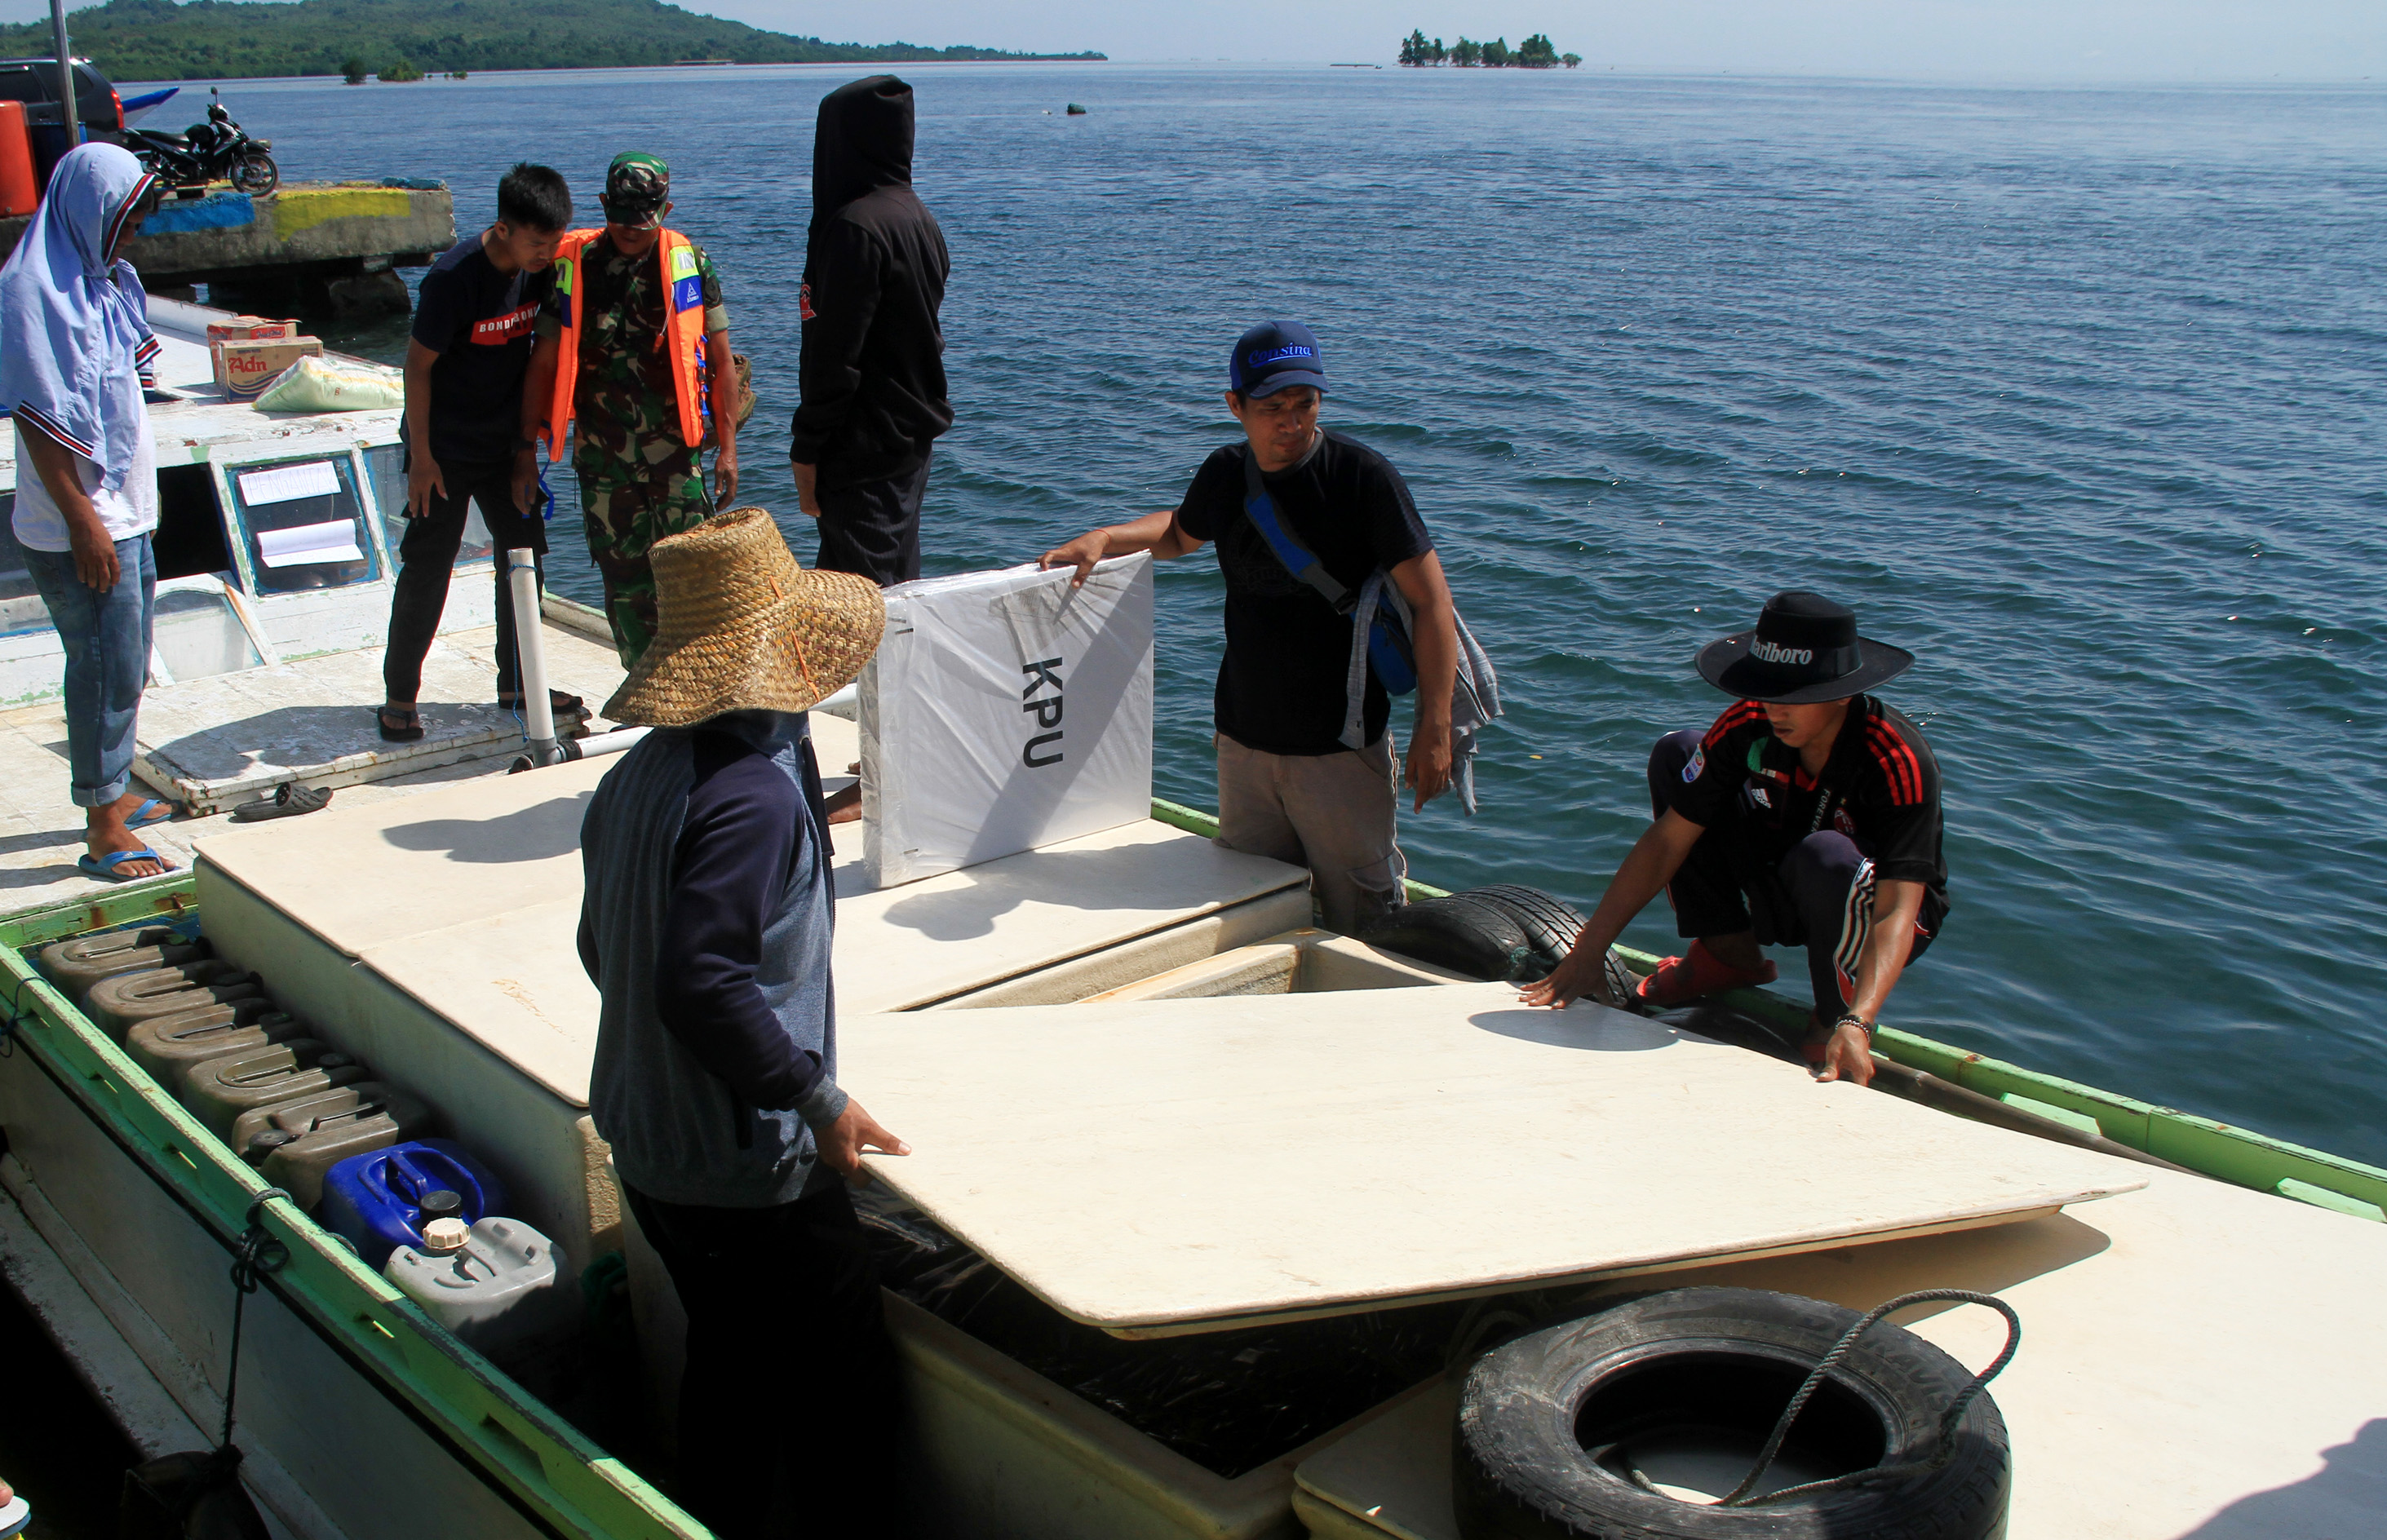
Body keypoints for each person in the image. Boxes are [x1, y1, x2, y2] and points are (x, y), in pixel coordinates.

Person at [575, 507, 904, 1540]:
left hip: (647, 1142)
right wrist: (818, 1095)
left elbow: (602, 951)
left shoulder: (641, 778)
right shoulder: (756, 796)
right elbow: (702, 980)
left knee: (730, 1358)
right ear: (792, 655)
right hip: (744, 1168)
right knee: (845, 1407)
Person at [1037, 319, 1461, 936]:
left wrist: (1435, 725)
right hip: (1244, 746)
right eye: (1272, 407)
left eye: (1305, 404)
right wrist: (1106, 537)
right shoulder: (1227, 473)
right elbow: (1182, 532)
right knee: (1254, 910)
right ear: (1235, 406)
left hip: (1339, 752)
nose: (1292, 422)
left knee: (1363, 919)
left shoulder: (1362, 478)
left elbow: (1432, 602)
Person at [1521, 591, 1950, 1086]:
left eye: (1791, 698)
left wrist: (1860, 1019)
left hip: (1875, 909)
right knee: (1678, 754)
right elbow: (1667, 841)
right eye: (1766, 692)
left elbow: (1899, 908)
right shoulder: (1751, 724)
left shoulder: (1895, 760)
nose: (1773, 710)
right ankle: (1729, 955)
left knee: (1827, 856)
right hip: (1785, 873)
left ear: (1839, 694)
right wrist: (1590, 948)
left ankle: (1834, 1013)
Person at [1, 144, 173, 883]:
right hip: (84, 519)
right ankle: (103, 827)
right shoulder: (31, 289)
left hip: (125, 510)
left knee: (129, 657)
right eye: (125, 217)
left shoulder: (101, 280)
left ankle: (114, 788)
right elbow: (39, 417)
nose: (132, 233)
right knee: (102, 664)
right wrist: (81, 519)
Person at [379, 162, 581, 743]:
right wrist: (421, 457)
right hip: (440, 447)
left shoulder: (537, 272)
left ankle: (518, 682)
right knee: (428, 564)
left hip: (502, 444)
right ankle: (400, 696)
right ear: (503, 227)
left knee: (524, 555)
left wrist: (525, 451)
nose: (547, 253)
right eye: (538, 242)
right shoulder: (452, 279)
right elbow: (417, 368)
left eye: (554, 241)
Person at [524, 152, 740, 666]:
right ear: (602, 205)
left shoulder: (689, 261)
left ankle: (706, 688)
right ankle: (647, 691)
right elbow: (542, 361)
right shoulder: (574, 267)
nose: (631, 229)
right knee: (625, 585)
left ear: (665, 207)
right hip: (604, 463)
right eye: (620, 216)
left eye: (643, 217)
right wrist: (522, 452)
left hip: (675, 458)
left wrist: (728, 449)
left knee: (695, 577)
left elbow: (720, 360)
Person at [790, 74, 952, 587]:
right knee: (895, 593)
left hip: (863, 449)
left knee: (860, 610)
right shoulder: (915, 216)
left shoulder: (855, 227)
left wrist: (807, 449)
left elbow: (836, 357)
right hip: (907, 440)